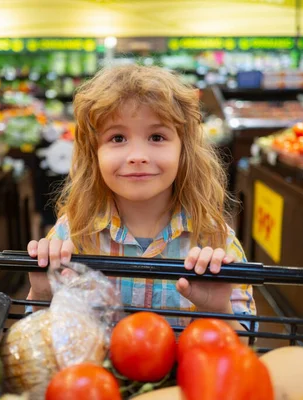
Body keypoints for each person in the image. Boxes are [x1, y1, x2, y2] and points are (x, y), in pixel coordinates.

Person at [27, 64, 256, 332]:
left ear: (184, 151)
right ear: (94, 154)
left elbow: (244, 346)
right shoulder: (70, 236)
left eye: (157, 137)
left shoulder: (218, 242)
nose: (138, 155)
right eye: (118, 137)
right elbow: (36, 340)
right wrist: (42, 296)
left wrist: (218, 310)